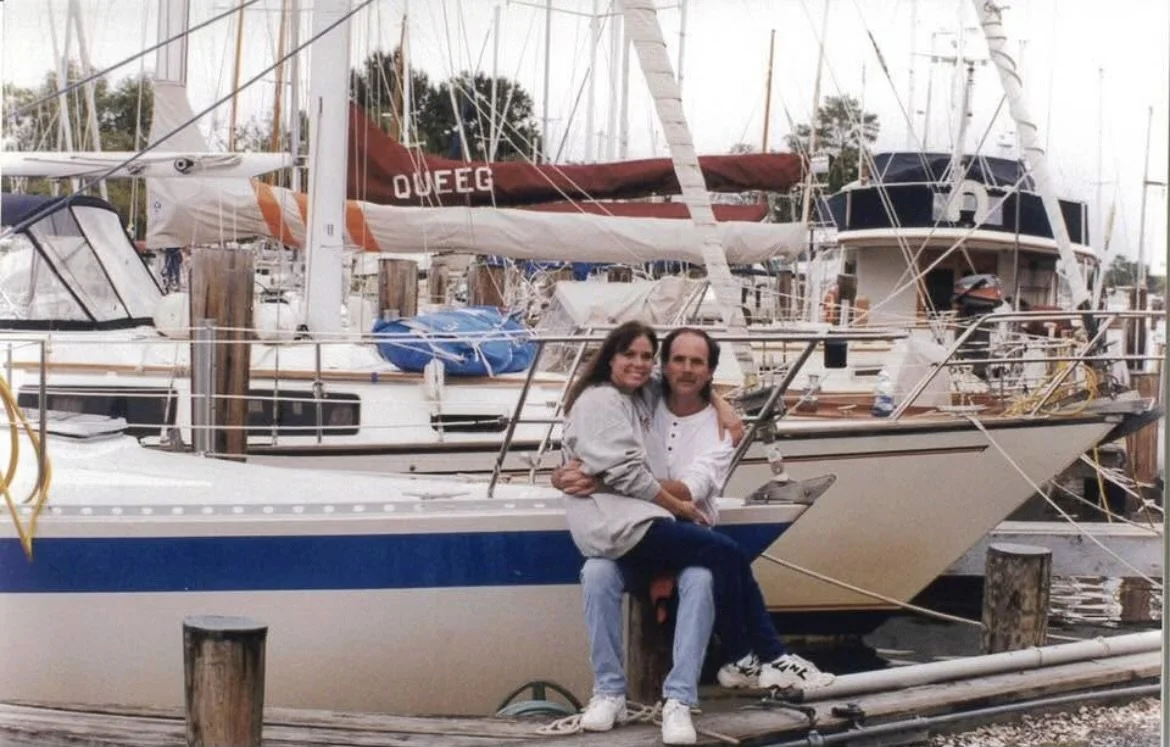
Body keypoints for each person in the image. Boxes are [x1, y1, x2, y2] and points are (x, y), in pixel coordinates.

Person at [558, 323, 833, 745]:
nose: (683, 369)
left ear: (709, 372)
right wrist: (572, 475)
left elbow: (686, 489)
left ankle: (680, 699)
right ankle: (611, 692)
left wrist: (722, 406)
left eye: (697, 363)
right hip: (630, 530)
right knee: (599, 573)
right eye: (676, 360)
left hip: (669, 527)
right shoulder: (632, 394)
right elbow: (608, 461)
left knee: (706, 574)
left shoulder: (718, 429)